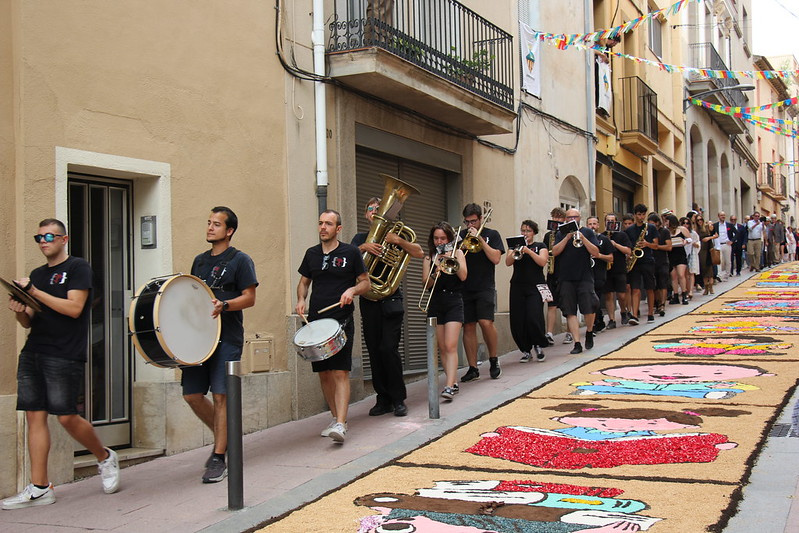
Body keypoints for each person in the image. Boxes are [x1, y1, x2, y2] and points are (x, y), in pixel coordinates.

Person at [3, 219, 120, 509]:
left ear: (64, 239)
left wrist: (33, 291)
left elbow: (74, 308)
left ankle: (105, 457)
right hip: (34, 351)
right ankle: (40, 487)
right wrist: (20, 309)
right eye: (39, 237)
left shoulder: (78, 268)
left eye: (49, 236)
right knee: (34, 417)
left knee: (66, 416)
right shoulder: (37, 274)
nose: (43, 241)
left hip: (64, 353)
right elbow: (29, 317)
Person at [183, 206, 258, 483]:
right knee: (191, 395)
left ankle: (218, 456)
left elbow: (249, 298)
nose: (210, 227)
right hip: (199, 338)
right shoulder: (199, 261)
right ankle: (225, 437)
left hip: (227, 337)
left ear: (229, 231)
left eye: (216, 224)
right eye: (208, 222)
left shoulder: (240, 260)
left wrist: (224, 304)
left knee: (221, 396)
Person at [297, 210, 369, 443]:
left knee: (340, 371)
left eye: (328, 224)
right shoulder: (311, 254)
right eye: (320, 223)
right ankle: (336, 417)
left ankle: (341, 423)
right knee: (324, 374)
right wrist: (300, 300)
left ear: (338, 229)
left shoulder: (351, 252)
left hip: (341, 321)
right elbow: (304, 282)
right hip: (316, 323)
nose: (323, 227)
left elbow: (365, 283)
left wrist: (352, 290)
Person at [352, 197, 423, 417]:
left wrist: (398, 241)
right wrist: (363, 247)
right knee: (374, 351)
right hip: (369, 301)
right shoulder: (359, 238)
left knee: (388, 349)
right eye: (370, 209)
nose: (374, 212)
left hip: (391, 299)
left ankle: (398, 399)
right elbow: (346, 261)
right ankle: (382, 399)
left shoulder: (397, 235)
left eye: (378, 208)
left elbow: (419, 252)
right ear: (366, 214)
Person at [459, 203, 505, 382]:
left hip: (485, 286)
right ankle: (473, 367)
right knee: (468, 326)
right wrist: (463, 244)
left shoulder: (492, 235)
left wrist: (481, 241)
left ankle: (493, 360)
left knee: (486, 322)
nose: (470, 225)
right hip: (465, 287)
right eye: (467, 222)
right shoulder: (461, 236)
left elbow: (496, 258)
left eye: (473, 221)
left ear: (480, 219)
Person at [422, 222, 468, 399]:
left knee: (450, 345)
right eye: (436, 238)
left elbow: (463, 276)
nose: (439, 241)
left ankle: (449, 386)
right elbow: (426, 283)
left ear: (449, 238)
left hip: (454, 300)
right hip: (436, 302)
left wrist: (451, 260)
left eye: (442, 238)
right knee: (441, 346)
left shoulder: (458, 253)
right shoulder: (429, 257)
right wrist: (436, 272)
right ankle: (452, 380)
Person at [551, 209, 601, 354]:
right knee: (570, 311)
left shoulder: (588, 232)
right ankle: (577, 343)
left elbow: (596, 252)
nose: (572, 219)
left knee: (589, 307)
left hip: (585, 276)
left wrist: (582, 238)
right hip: (566, 277)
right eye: (569, 217)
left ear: (580, 218)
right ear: (566, 219)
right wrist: (567, 238)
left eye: (575, 217)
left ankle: (590, 331)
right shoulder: (560, 233)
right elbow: (553, 252)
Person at [505, 220, 548, 362]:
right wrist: (517, 250)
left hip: (535, 286)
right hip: (518, 286)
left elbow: (542, 262)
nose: (525, 233)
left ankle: (538, 345)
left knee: (534, 316)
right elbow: (508, 262)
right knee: (518, 319)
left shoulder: (540, 246)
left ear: (534, 233)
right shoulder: (514, 246)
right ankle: (525, 349)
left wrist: (528, 251)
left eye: (528, 231)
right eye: (523, 230)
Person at [623, 204, 659, 325]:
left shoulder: (651, 228)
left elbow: (656, 245)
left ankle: (650, 314)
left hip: (648, 260)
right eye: (639, 214)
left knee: (649, 288)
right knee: (635, 289)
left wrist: (647, 244)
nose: (641, 217)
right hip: (635, 261)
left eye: (643, 214)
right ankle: (634, 314)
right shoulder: (629, 230)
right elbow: (628, 246)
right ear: (635, 215)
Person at [602, 213, 631, 329]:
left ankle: (623, 311)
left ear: (616, 223)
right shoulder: (602, 236)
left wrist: (615, 244)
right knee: (608, 295)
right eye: (608, 221)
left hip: (619, 268)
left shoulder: (622, 235)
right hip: (607, 269)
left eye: (612, 221)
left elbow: (628, 251)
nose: (610, 223)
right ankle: (612, 319)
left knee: (621, 295)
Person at [586, 216, 614, 331]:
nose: (592, 226)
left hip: (599, 273)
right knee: (589, 299)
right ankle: (597, 321)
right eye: (590, 224)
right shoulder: (583, 239)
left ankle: (598, 321)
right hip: (586, 273)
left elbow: (611, 258)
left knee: (595, 298)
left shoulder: (604, 239)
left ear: (598, 225)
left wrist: (599, 255)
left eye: (594, 224)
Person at [544, 208, 568, 345]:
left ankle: (569, 333)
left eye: (560, 217)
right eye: (555, 217)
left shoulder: (566, 233)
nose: (557, 220)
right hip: (551, 272)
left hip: (564, 271)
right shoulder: (548, 235)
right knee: (551, 304)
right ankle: (549, 333)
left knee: (567, 305)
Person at [650, 213, 672, 317]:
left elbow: (669, 247)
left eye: (652, 223)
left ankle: (662, 305)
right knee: (655, 285)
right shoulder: (648, 232)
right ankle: (658, 303)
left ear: (657, 223)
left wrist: (656, 246)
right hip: (651, 261)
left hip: (662, 261)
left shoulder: (664, 232)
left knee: (663, 283)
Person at [667, 214, 691, 305]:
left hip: (680, 253)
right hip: (671, 254)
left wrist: (684, 241)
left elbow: (689, 239)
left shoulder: (681, 229)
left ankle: (684, 294)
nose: (666, 223)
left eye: (667, 221)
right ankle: (675, 295)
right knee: (673, 276)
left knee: (681, 274)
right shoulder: (667, 231)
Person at [697, 215, 718, 295]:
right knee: (704, 269)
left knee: (710, 270)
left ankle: (711, 287)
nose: (699, 221)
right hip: (700, 250)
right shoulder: (696, 229)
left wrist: (709, 238)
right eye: (698, 220)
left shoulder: (707, 227)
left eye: (701, 220)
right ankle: (706, 287)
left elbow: (716, 235)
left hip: (709, 249)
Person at [713, 212, 737, 282]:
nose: (723, 216)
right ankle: (719, 275)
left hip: (727, 244)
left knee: (728, 261)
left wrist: (732, 241)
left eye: (724, 215)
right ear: (718, 216)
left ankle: (727, 274)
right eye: (721, 215)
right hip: (718, 245)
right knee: (719, 261)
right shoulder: (715, 225)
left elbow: (737, 233)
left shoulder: (729, 225)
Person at [683, 217, 701, 299]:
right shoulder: (680, 233)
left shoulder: (693, 233)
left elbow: (698, 243)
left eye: (687, 223)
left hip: (692, 253)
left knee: (691, 273)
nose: (685, 225)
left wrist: (695, 244)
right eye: (684, 223)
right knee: (685, 274)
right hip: (683, 254)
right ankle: (687, 289)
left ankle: (690, 291)